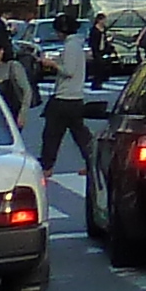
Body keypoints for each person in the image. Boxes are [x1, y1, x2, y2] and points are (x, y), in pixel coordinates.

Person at [42, 15, 94, 175]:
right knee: (81, 136)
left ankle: (47, 166)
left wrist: (52, 64)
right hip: (76, 97)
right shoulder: (77, 45)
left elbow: (68, 70)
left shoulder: (70, 46)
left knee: (52, 134)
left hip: (65, 97)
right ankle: (93, 162)